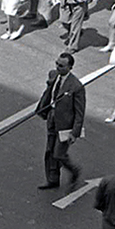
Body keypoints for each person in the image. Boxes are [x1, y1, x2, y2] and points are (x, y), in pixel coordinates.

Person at [35, 51, 85, 190]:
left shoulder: (76, 86)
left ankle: (73, 169)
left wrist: (74, 132)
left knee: (59, 154)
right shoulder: (54, 75)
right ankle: (52, 179)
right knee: (50, 151)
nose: (58, 67)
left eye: (62, 66)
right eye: (57, 64)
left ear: (70, 67)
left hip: (65, 125)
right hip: (52, 117)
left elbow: (80, 113)